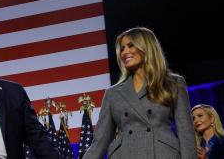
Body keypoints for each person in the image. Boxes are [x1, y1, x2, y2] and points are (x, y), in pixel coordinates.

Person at [83, 27, 196, 159]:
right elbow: (99, 142)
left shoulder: (173, 83)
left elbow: (186, 134)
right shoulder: (112, 94)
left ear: (146, 47)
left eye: (131, 46)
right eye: (122, 48)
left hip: (162, 154)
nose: (124, 52)